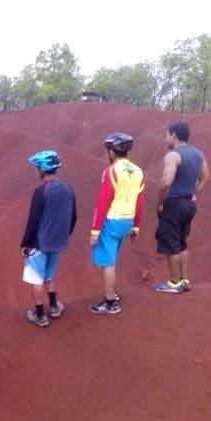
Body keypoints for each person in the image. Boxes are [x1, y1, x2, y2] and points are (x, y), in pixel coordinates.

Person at [89, 132, 144, 314]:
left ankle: (110, 302)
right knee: (112, 260)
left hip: (111, 222)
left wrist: (95, 231)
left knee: (108, 263)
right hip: (127, 222)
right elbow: (139, 201)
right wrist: (136, 226)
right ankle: (113, 293)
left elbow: (103, 201)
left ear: (112, 152)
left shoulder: (111, 171)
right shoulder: (138, 172)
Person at [20, 151, 77, 328]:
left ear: (42, 170)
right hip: (57, 243)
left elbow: (33, 220)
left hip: (39, 243)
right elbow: (73, 216)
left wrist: (25, 244)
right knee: (49, 276)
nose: (35, 171)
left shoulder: (41, 191)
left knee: (36, 278)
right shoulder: (68, 189)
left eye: (36, 168)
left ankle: (40, 316)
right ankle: (53, 308)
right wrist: (64, 235)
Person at [154, 121, 209, 293]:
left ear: (174, 135)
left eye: (167, 135)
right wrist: (193, 194)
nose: (166, 139)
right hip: (190, 204)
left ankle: (173, 283)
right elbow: (206, 178)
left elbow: (165, 182)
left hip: (174, 203)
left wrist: (161, 203)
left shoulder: (173, 156)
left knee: (171, 242)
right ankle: (184, 280)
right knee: (182, 241)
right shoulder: (199, 154)